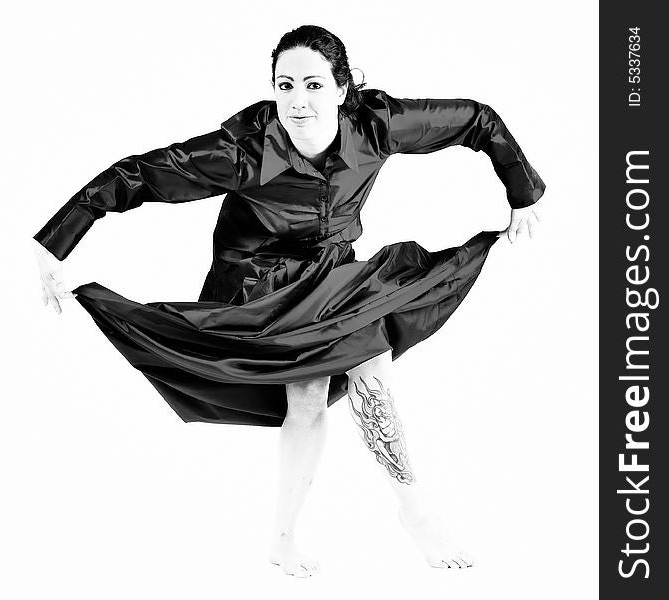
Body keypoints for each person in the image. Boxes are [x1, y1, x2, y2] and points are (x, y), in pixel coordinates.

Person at [33, 25, 546, 577]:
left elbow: (477, 119)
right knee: (306, 396)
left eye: (314, 85)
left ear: (344, 90)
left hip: (330, 266)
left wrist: (522, 193)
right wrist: (55, 243)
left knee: (370, 367)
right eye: (285, 85)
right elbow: (139, 175)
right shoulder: (241, 152)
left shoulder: (377, 127)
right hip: (258, 278)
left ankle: (413, 508)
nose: (298, 102)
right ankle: (284, 536)